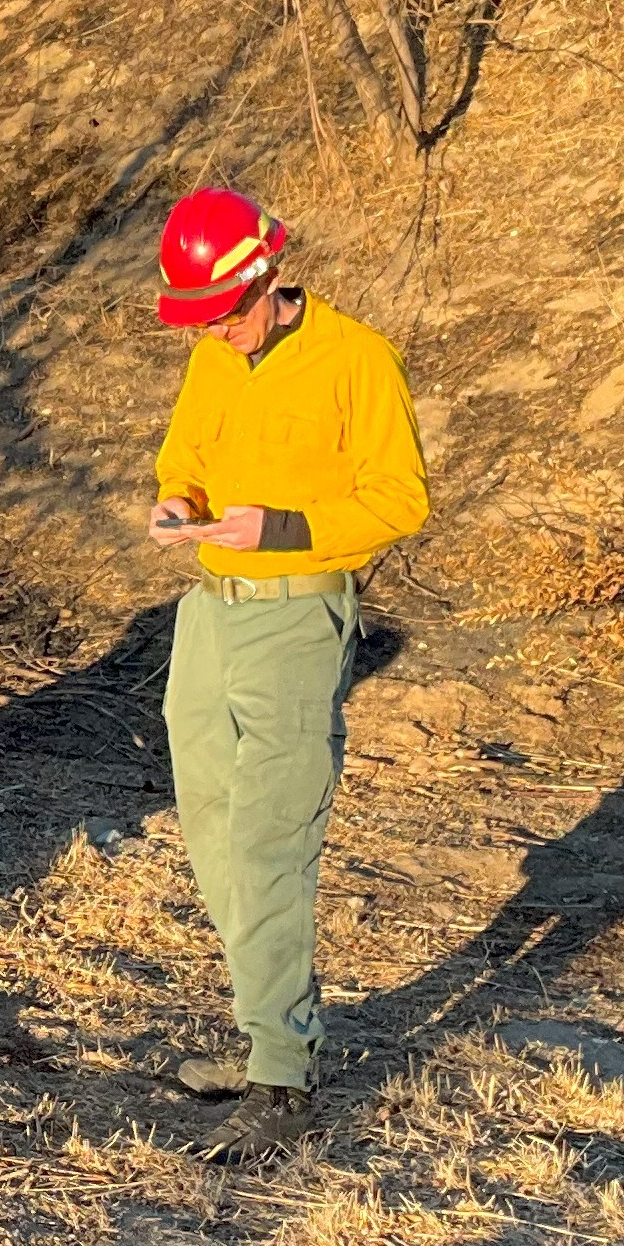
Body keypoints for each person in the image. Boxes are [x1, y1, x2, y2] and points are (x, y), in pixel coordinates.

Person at [144, 186, 430, 1151]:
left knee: (271, 841)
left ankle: (283, 1080)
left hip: (300, 618)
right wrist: (178, 502)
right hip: (206, 617)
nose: (214, 332)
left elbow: (401, 499)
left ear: (264, 279)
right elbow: (183, 453)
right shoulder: (214, 360)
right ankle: (266, 1027)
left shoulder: (358, 360)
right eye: (201, 318)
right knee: (215, 833)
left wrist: (287, 529)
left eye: (222, 311)